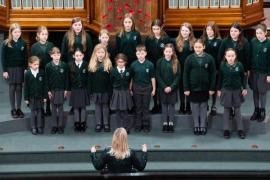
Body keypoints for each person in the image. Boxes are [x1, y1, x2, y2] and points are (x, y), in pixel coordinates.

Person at [184, 39, 216, 135]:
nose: (197, 49)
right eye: (196, 47)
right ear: (193, 47)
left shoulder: (209, 58)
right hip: (193, 88)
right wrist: (186, 88)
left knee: (203, 106)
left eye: (199, 47)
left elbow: (213, 74)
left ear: (203, 47)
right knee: (194, 107)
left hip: (205, 88)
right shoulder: (189, 59)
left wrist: (211, 88)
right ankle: (196, 125)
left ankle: (202, 125)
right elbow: (185, 74)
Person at [217, 48, 247, 139]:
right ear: (225, 56)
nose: (230, 58)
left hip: (237, 90)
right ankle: (226, 129)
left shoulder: (239, 65)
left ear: (235, 56)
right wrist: (218, 89)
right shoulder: (222, 65)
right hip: (226, 90)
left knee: (237, 110)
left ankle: (240, 129)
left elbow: (243, 78)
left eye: (232, 56)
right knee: (226, 110)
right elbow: (220, 78)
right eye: (228, 56)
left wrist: (244, 88)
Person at [1, 23, 27, 119]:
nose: (17, 33)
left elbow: (25, 57)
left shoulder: (23, 43)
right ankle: (13, 109)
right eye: (15, 32)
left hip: (20, 68)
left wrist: (25, 69)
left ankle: (19, 108)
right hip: (10, 69)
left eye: (19, 32)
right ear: (11, 32)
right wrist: (5, 71)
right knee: (12, 88)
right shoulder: (6, 43)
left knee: (19, 88)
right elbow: (3, 58)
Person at [145, 19, 171, 114]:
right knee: (154, 86)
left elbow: (168, 53)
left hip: (162, 65)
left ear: (161, 28)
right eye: (154, 29)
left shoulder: (166, 39)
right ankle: (156, 105)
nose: (155, 31)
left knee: (162, 85)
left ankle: (162, 105)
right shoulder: (149, 39)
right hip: (152, 65)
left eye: (157, 29)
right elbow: (146, 53)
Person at [130, 44, 156, 133]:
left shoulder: (150, 64)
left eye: (142, 53)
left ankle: (146, 126)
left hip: (147, 88)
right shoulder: (133, 65)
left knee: (145, 108)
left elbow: (152, 77)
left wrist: (154, 89)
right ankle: (138, 125)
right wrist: (130, 89)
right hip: (136, 88)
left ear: (145, 53)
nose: (140, 55)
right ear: (136, 54)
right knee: (138, 107)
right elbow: (131, 78)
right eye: (138, 53)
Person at [156, 43, 181, 132]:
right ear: (164, 52)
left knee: (171, 106)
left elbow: (178, 76)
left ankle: (170, 123)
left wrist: (171, 87)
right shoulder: (160, 62)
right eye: (166, 51)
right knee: (164, 106)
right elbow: (158, 75)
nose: (168, 53)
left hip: (172, 89)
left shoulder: (176, 62)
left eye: (170, 51)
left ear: (172, 52)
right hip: (163, 89)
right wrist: (164, 86)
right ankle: (164, 123)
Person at [88, 44, 112, 132]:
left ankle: (106, 124)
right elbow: (89, 80)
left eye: (102, 52)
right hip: (96, 90)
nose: (100, 54)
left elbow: (110, 80)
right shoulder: (92, 64)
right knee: (97, 106)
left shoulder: (108, 64)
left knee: (105, 106)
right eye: (98, 52)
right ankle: (98, 124)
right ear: (95, 53)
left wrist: (110, 91)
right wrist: (90, 91)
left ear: (105, 53)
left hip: (105, 90)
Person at [31, 26, 54, 116]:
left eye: (46, 34)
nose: (44, 36)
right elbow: (32, 59)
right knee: (40, 89)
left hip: (48, 71)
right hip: (39, 70)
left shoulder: (51, 45)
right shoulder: (34, 46)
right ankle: (41, 108)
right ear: (38, 35)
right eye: (42, 34)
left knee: (48, 89)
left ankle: (48, 107)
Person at [249, 23, 270, 122]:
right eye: (257, 33)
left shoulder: (269, 44)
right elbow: (250, 56)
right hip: (254, 71)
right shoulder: (253, 42)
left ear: (265, 33)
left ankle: (262, 110)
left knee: (262, 91)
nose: (258, 35)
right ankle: (256, 110)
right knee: (255, 91)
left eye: (261, 33)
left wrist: (269, 74)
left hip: (264, 72)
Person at [45, 47, 69, 134]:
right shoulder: (48, 66)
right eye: (54, 55)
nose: (56, 57)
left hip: (61, 90)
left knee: (61, 108)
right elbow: (46, 80)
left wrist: (66, 89)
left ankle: (60, 126)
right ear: (51, 56)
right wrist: (48, 90)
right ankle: (54, 126)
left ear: (60, 55)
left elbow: (67, 78)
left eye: (58, 55)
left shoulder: (64, 65)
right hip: (52, 90)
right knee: (54, 108)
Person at [174, 22, 196, 114]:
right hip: (180, 67)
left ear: (190, 31)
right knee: (181, 87)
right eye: (182, 30)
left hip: (190, 68)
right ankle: (182, 104)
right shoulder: (176, 41)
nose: (184, 32)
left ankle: (189, 105)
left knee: (189, 86)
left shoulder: (194, 42)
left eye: (186, 30)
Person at [201, 21, 222, 115]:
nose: (209, 31)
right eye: (207, 29)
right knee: (205, 87)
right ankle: (205, 104)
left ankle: (213, 105)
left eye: (211, 30)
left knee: (213, 87)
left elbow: (220, 56)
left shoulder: (219, 41)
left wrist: (217, 69)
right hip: (204, 68)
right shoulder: (202, 40)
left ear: (215, 31)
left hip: (215, 68)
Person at [110, 53, 133, 133]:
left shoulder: (128, 70)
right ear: (116, 62)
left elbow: (130, 80)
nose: (121, 63)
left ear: (125, 62)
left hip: (125, 92)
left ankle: (125, 128)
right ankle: (119, 128)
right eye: (119, 62)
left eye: (122, 62)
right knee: (118, 111)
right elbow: (111, 81)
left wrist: (130, 89)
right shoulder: (113, 71)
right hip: (117, 92)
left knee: (125, 111)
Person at [68, 49, 90, 132]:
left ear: (83, 56)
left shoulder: (86, 64)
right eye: (76, 55)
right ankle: (77, 123)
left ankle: (83, 123)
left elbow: (88, 78)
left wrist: (89, 88)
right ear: (74, 56)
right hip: (75, 88)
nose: (78, 57)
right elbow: (68, 78)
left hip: (83, 88)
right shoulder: (70, 65)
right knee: (76, 107)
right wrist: (68, 88)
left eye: (80, 55)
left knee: (83, 107)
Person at [24, 56, 46, 135]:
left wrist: (45, 96)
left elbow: (44, 85)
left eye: (38, 64)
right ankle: (33, 127)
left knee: (40, 111)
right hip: (31, 97)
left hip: (40, 96)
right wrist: (26, 98)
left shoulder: (42, 72)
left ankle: (39, 126)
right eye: (35, 64)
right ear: (30, 64)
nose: (37, 66)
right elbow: (26, 87)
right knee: (33, 112)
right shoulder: (27, 74)